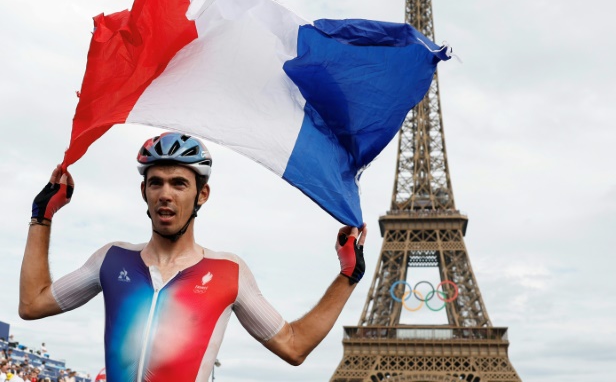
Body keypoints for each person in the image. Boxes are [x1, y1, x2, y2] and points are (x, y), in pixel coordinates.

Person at [19, 132, 366, 381]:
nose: (165, 194)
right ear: (144, 191)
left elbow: (294, 346)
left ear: (202, 195)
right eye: (156, 183)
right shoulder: (111, 259)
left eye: (178, 184)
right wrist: (42, 217)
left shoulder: (229, 271)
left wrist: (347, 275)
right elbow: (32, 305)